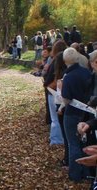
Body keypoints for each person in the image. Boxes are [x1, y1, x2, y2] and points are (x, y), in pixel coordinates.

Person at [61, 47, 91, 182]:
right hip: (88, 113)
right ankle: (87, 172)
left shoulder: (68, 77)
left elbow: (66, 99)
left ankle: (75, 174)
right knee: (85, 143)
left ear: (65, 60)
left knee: (73, 143)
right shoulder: (87, 73)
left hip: (72, 113)